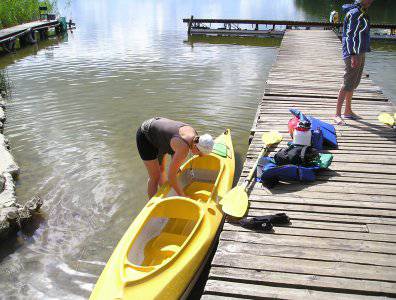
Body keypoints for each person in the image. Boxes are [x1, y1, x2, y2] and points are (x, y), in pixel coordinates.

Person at [136, 117, 214, 198]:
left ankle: (164, 194)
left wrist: (176, 168)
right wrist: (182, 195)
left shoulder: (195, 136)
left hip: (160, 136)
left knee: (162, 169)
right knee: (155, 176)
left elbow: (175, 148)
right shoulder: (184, 148)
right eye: (200, 154)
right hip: (146, 136)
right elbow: (171, 176)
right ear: (196, 147)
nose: (198, 156)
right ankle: (152, 204)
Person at [334, 0, 373, 125]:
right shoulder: (355, 13)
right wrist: (353, 55)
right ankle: (337, 114)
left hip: (359, 51)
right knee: (347, 83)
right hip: (353, 53)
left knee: (353, 83)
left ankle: (348, 111)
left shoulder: (361, 11)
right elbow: (350, 35)